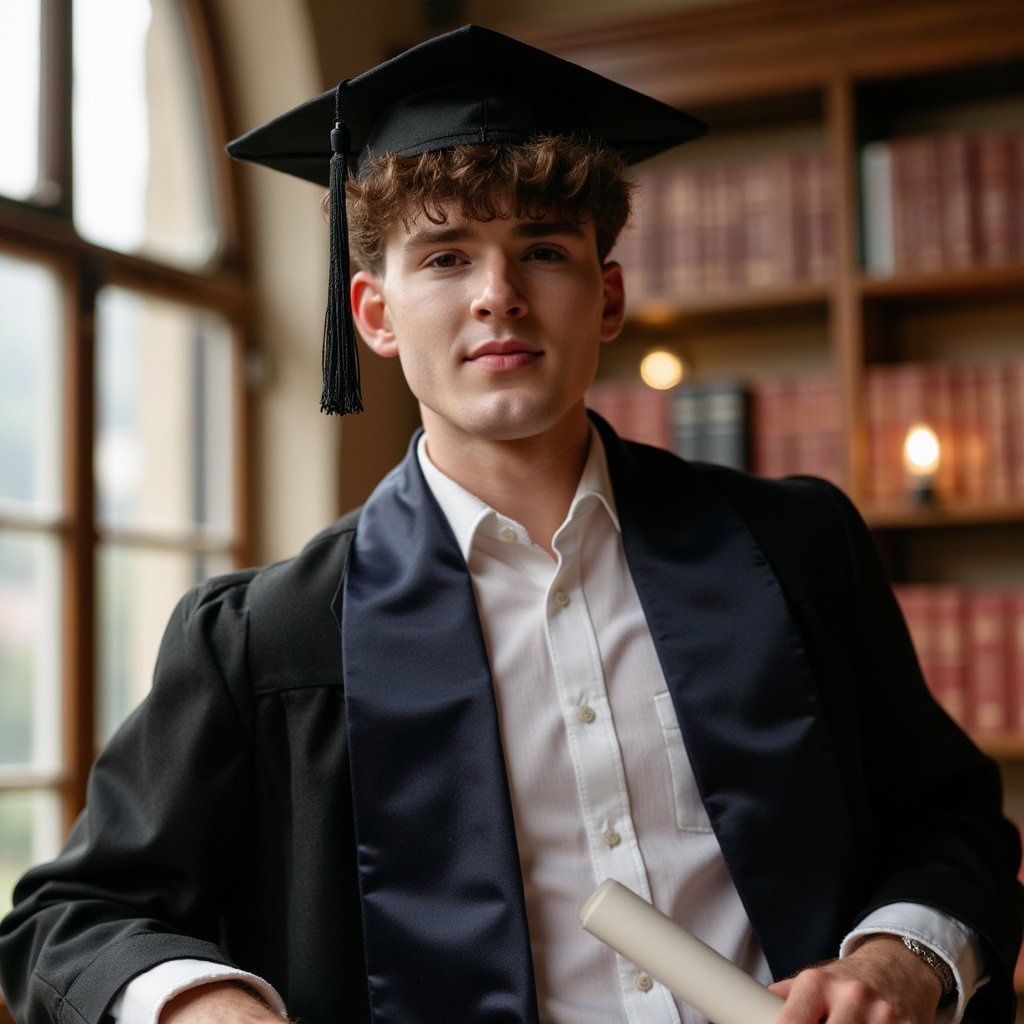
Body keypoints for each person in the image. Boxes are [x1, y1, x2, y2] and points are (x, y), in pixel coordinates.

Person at [0, 23, 1021, 1024]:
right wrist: (205, 1002)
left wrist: (898, 959)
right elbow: (71, 917)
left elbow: (953, 826)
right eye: (444, 259)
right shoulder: (271, 639)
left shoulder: (794, 553)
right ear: (374, 315)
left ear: (608, 295)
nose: (499, 296)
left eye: (541, 250)